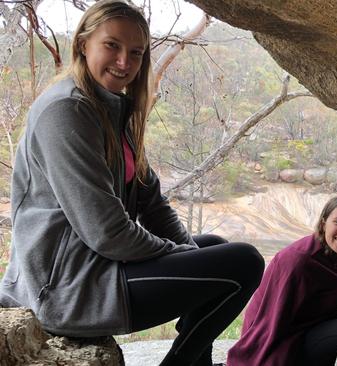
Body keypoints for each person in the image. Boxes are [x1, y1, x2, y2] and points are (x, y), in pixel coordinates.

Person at [0, 1, 264, 365]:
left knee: (214, 247)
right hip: (66, 289)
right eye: (112, 46)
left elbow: (153, 204)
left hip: (96, 267)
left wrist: (190, 253)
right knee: (244, 262)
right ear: (83, 44)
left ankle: (196, 361)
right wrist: (182, 257)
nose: (124, 62)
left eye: (136, 53)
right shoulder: (66, 111)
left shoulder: (110, 110)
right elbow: (107, 232)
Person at [227, 195, 337, 366]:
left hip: (308, 330)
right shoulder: (298, 260)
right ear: (324, 223)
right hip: (280, 342)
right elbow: (271, 320)